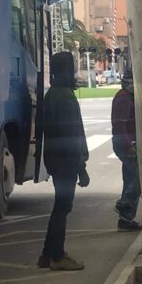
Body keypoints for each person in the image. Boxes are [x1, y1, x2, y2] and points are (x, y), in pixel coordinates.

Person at [39, 52, 89, 271]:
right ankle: (57, 256)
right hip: (66, 161)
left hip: (54, 158)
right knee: (62, 207)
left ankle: (47, 254)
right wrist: (81, 168)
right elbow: (72, 135)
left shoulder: (51, 94)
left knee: (60, 206)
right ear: (67, 71)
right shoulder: (66, 97)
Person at [111, 69, 142, 231]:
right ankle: (125, 204)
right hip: (126, 143)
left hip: (128, 142)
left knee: (131, 177)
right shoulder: (124, 97)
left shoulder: (128, 95)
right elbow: (120, 124)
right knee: (140, 177)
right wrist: (129, 145)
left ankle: (125, 219)